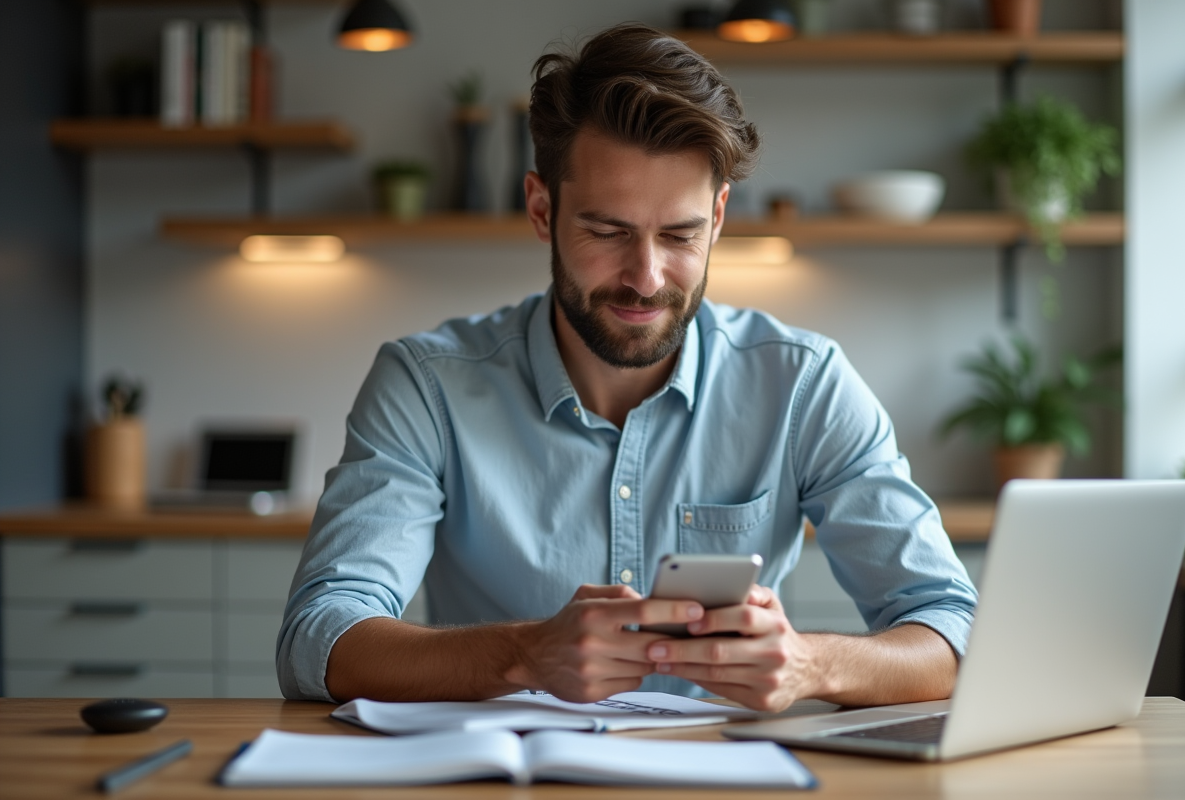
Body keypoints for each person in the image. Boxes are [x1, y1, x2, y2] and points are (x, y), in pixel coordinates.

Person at [277, 23, 977, 713]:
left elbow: (953, 630)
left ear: (719, 217)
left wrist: (811, 665)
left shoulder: (804, 384)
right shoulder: (425, 386)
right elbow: (318, 639)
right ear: (541, 208)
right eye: (607, 232)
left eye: (679, 235)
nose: (645, 278)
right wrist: (524, 654)